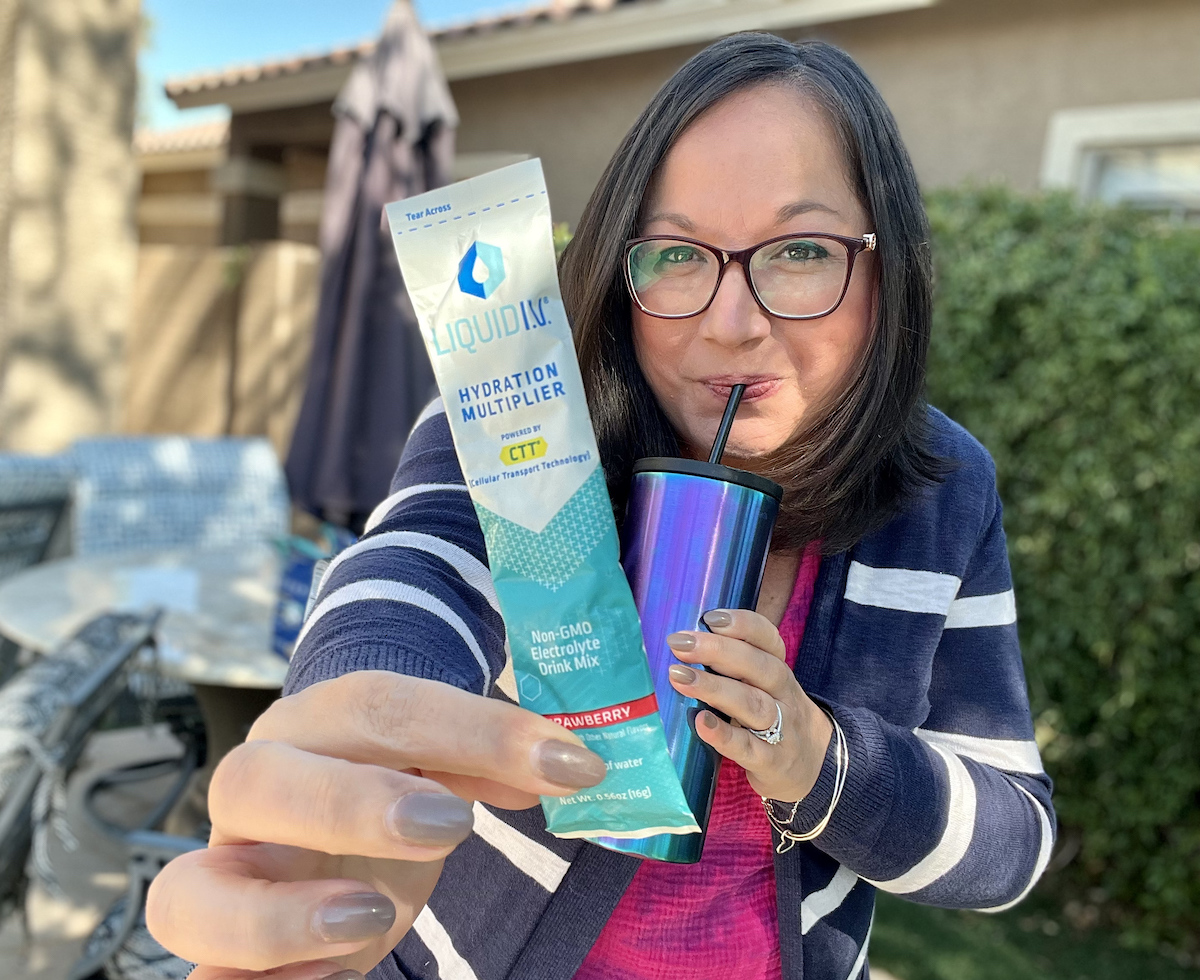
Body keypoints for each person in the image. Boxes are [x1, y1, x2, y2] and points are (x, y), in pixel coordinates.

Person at [147, 33, 1055, 980]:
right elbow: (416, 565)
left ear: (887, 270)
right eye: (675, 252)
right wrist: (355, 718)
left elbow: (1012, 843)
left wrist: (818, 760)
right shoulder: (528, 418)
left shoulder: (944, 489)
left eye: (799, 251)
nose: (729, 321)